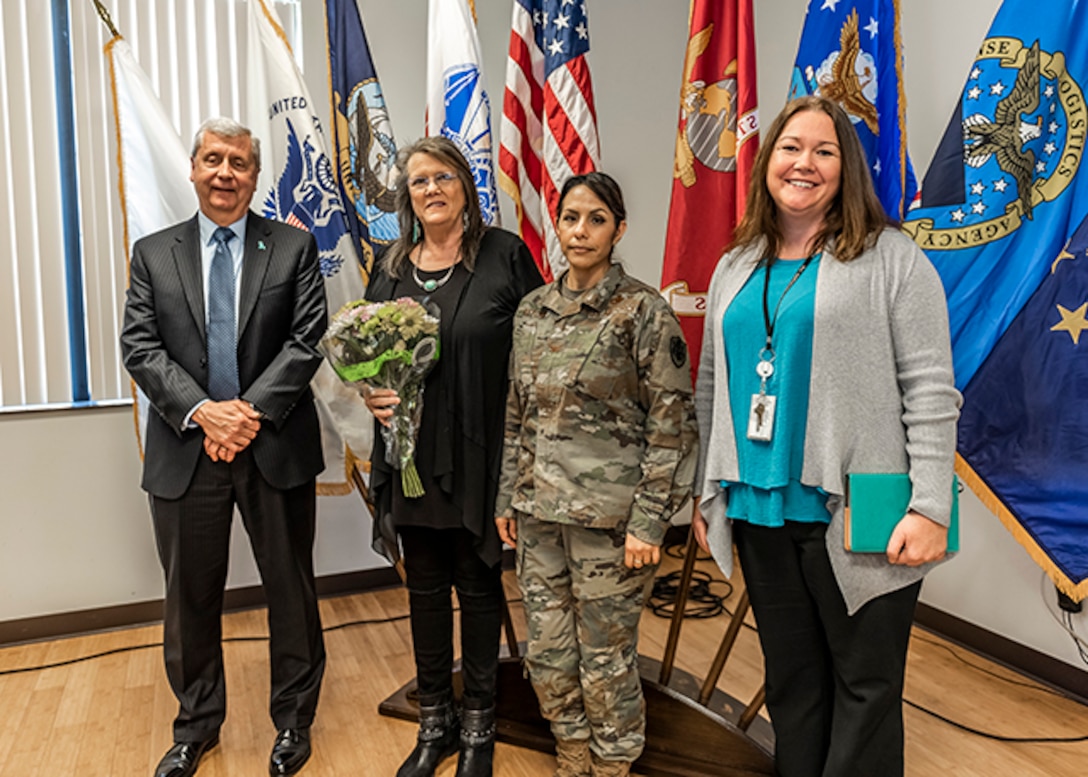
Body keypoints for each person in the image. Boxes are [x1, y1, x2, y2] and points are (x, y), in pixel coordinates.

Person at [692, 96, 962, 777]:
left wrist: (931, 505)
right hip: (758, 508)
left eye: (823, 150)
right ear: (767, 162)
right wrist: (705, 491)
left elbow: (931, 389)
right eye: (790, 147)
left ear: (846, 169)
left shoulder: (892, 258)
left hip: (859, 514)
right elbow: (709, 387)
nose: (803, 163)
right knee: (792, 687)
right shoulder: (737, 261)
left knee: (864, 690)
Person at [120, 117, 327, 777]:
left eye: (239, 162)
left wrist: (247, 415)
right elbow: (141, 347)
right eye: (213, 159)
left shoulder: (293, 247)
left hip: (274, 447)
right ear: (193, 167)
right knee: (190, 598)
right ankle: (195, 727)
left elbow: (306, 339)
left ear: (255, 176)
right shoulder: (155, 252)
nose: (225, 173)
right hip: (187, 452)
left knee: (290, 591)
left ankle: (294, 724)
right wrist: (206, 413)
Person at [496, 172, 698, 777]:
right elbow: (516, 412)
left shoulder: (641, 311)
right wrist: (508, 495)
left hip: (610, 525)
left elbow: (672, 424)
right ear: (555, 225)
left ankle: (612, 764)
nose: (580, 232)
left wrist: (650, 523)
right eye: (570, 219)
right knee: (551, 654)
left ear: (618, 230)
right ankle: (571, 751)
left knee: (606, 658)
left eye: (596, 220)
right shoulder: (532, 310)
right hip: (537, 518)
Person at [363, 136, 543, 777]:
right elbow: (367, 354)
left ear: (466, 186)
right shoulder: (389, 265)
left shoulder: (505, 256)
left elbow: (539, 350)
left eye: (443, 177)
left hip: (482, 455)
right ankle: (434, 721)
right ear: (406, 196)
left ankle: (479, 729)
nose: (431, 190)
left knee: (480, 584)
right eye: (418, 182)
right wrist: (370, 392)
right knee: (427, 591)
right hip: (409, 457)